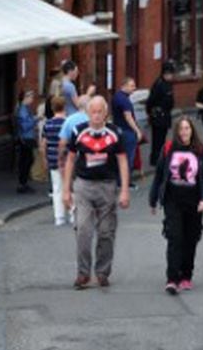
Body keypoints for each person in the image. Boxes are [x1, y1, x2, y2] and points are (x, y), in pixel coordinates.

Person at [61, 96, 130, 289]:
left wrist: (124, 190)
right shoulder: (78, 131)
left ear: (105, 113)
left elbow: (123, 160)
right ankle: (83, 274)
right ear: (88, 113)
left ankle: (102, 272)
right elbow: (70, 160)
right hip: (83, 186)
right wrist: (66, 190)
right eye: (93, 112)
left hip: (107, 186)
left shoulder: (115, 133)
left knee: (106, 232)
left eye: (100, 112)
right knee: (83, 229)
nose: (97, 115)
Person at [148, 116, 203, 294]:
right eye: (181, 129)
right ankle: (172, 278)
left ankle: (186, 275)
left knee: (190, 239)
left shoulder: (200, 150)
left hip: (194, 201)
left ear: (192, 131)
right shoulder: (169, 149)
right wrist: (153, 199)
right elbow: (159, 175)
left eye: (187, 128)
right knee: (174, 237)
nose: (184, 132)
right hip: (173, 199)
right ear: (177, 131)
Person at [39, 96, 70, 225]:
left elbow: (43, 145)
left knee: (56, 188)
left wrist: (44, 159)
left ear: (52, 108)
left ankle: (59, 217)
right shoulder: (67, 123)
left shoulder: (48, 124)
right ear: (65, 107)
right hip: (67, 159)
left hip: (52, 158)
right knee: (70, 187)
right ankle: (73, 212)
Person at [112, 76, 144, 186]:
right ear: (124, 86)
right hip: (127, 132)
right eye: (131, 86)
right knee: (128, 158)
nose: (134, 88)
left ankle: (119, 180)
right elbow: (128, 116)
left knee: (119, 156)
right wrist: (137, 130)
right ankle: (125, 182)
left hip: (118, 130)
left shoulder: (117, 97)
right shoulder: (124, 100)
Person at [147, 61, 176, 174]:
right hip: (159, 116)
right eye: (169, 74)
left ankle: (159, 158)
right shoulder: (159, 85)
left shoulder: (168, 84)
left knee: (162, 138)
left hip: (165, 116)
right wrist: (151, 113)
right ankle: (155, 160)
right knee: (157, 139)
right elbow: (151, 101)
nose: (171, 76)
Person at [13, 89, 38, 194]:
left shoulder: (24, 109)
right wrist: (36, 119)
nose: (32, 99)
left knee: (27, 160)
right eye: (31, 97)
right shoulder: (23, 110)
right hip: (25, 138)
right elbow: (25, 126)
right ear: (25, 98)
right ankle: (22, 184)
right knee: (26, 160)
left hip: (27, 138)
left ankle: (23, 183)